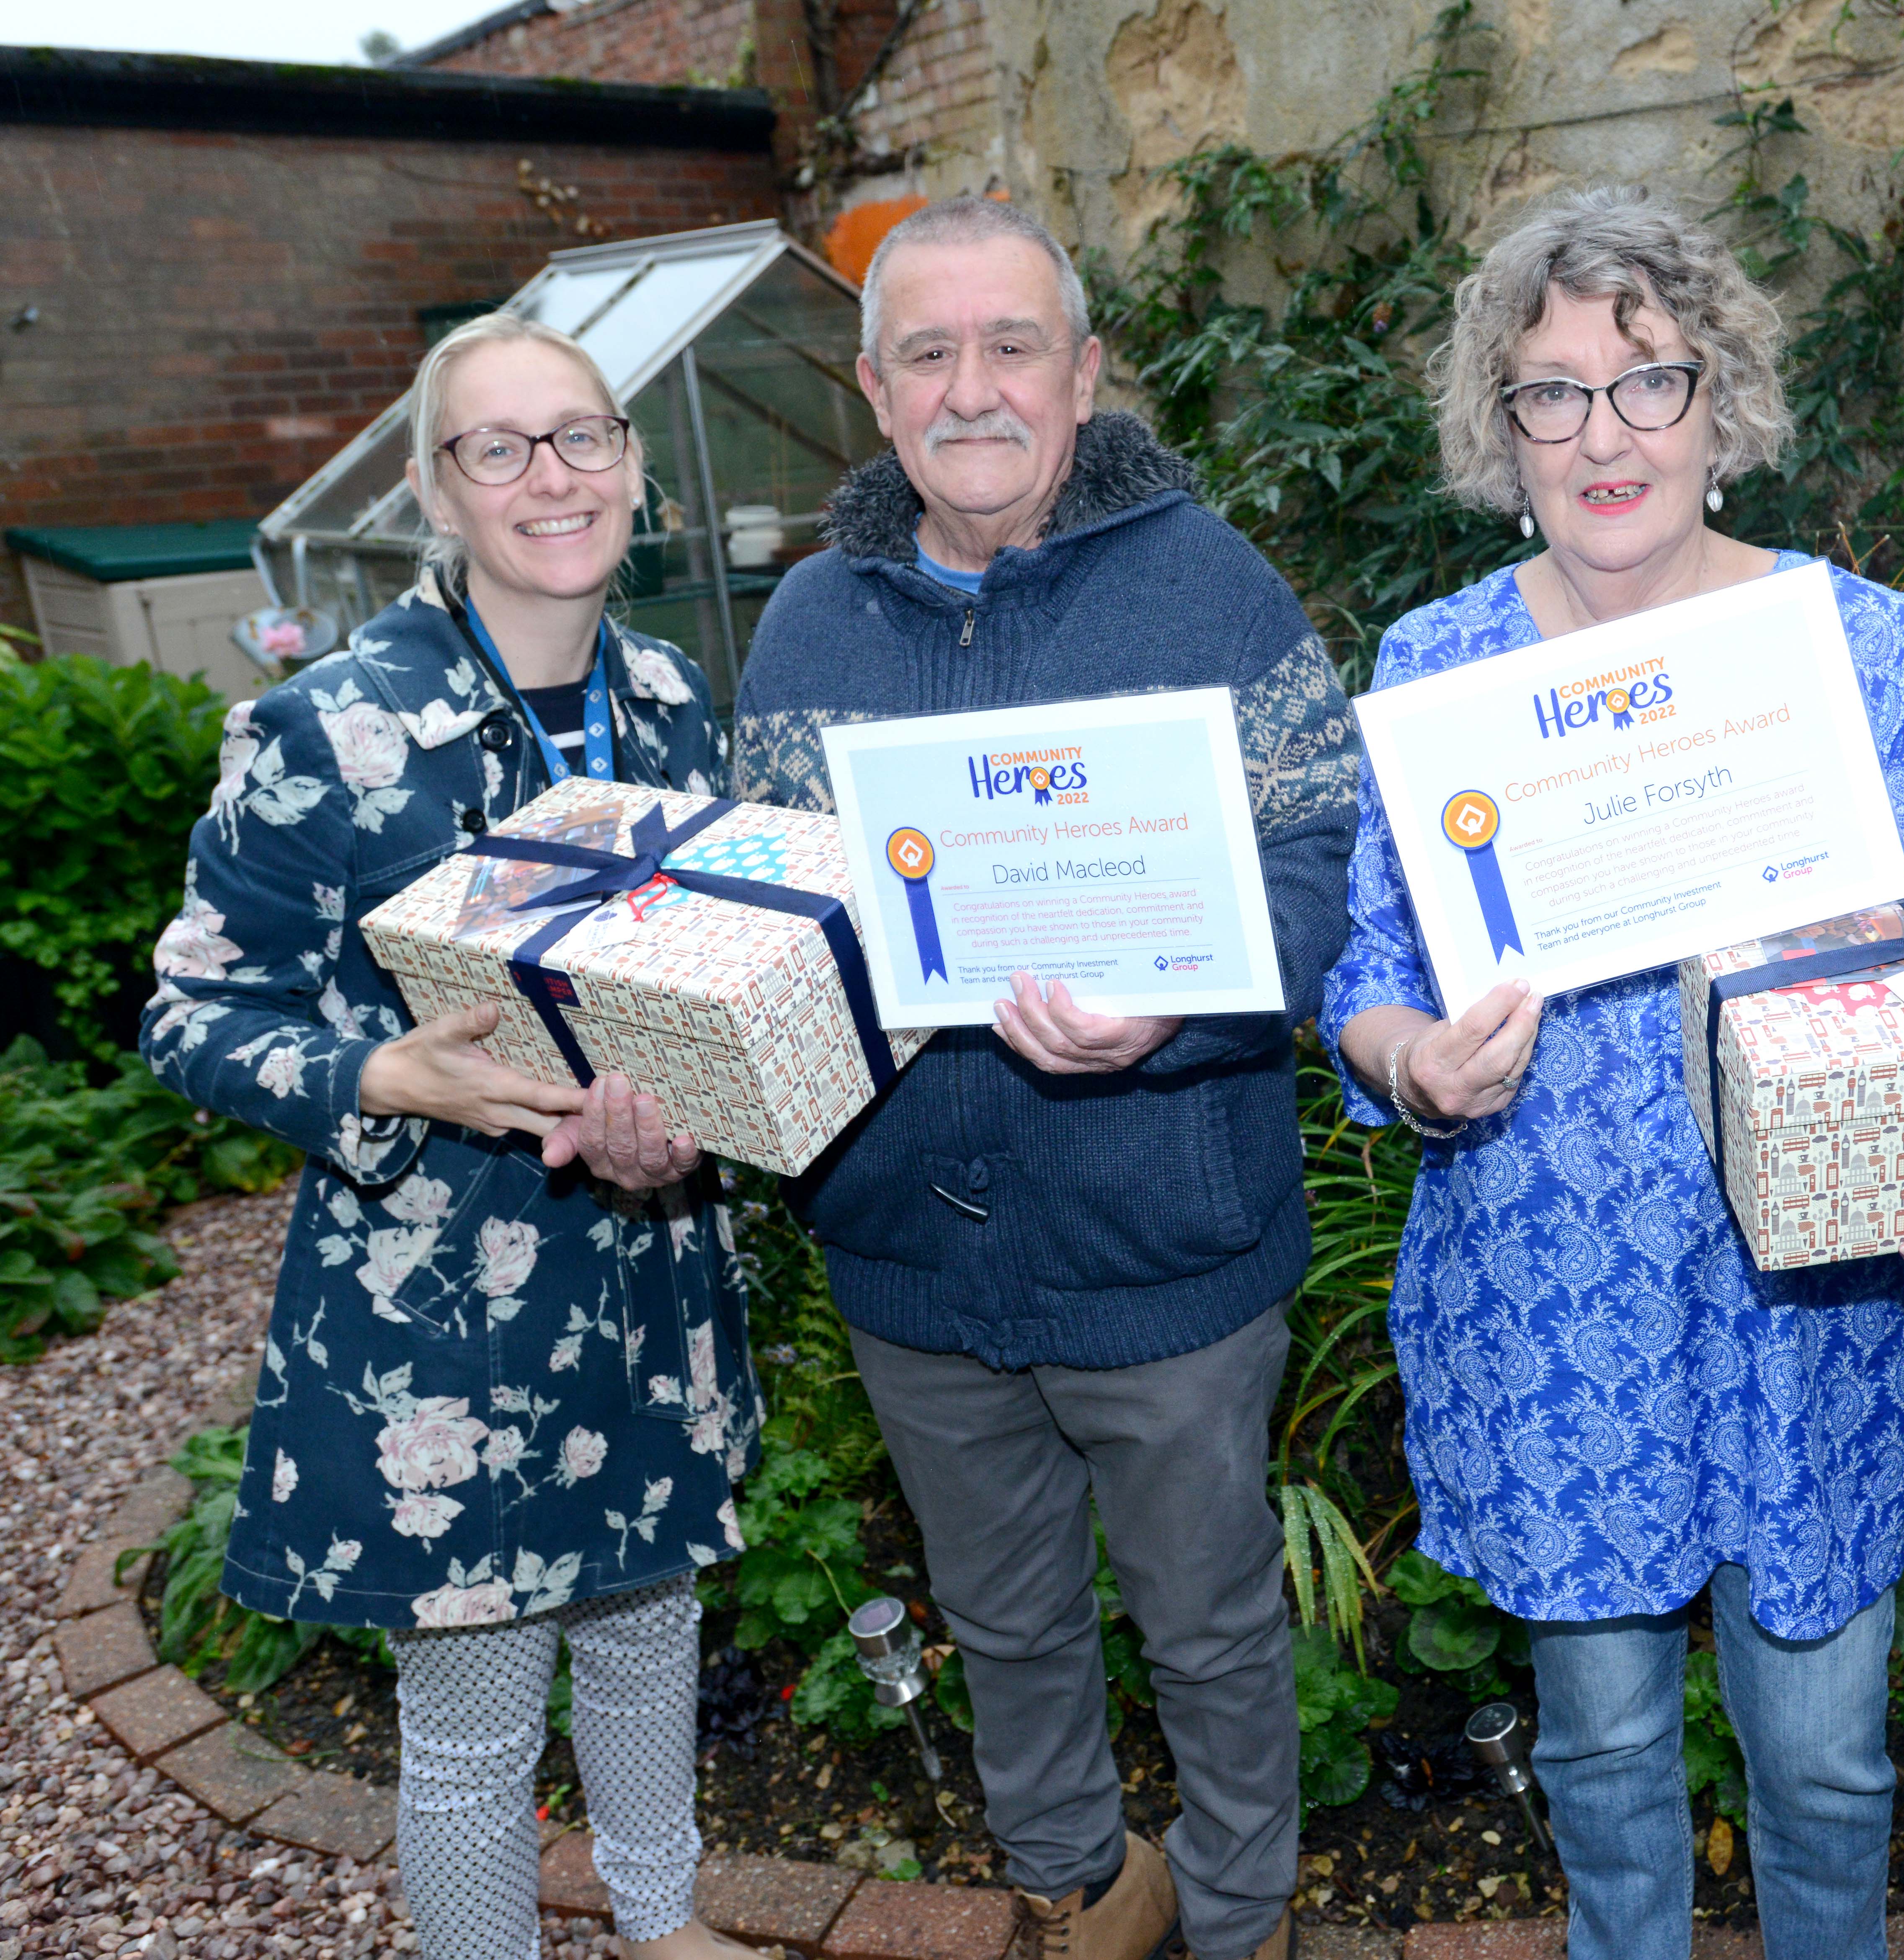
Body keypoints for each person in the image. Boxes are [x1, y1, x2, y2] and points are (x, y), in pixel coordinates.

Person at [1321, 186, 1904, 1960]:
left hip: (1812, 1299)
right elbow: (1373, 982)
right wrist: (1416, 1069)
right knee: (1606, 1746)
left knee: (1826, 1764)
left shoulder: (1859, 653)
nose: (1603, 434)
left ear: (1723, 406)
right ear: (1505, 426)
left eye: (1648, 381)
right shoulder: (1438, 669)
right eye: (1552, 393)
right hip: (1556, 1303)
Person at [732, 196, 1359, 1960]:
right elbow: (774, 919)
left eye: (1013, 345)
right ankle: (1078, 1894)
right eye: (926, 352)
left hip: (1165, 1234)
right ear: (872, 389)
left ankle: (1238, 1921)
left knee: (1212, 1625)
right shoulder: (806, 624)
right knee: (1002, 1620)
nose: (973, 387)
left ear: (1083, 374)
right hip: (913, 1252)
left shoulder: (1207, 585)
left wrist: (1190, 1010)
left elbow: (1325, 861)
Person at [142, 311, 766, 1960]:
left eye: (581, 437)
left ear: (634, 469)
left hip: (648, 1276)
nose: (550, 476)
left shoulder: (671, 700)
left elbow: (703, 979)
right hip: (444, 1324)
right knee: (479, 1724)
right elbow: (190, 1014)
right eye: (500, 447)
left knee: (648, 1639)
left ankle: (661, 1925)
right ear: (437, 485)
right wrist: (378, 1081)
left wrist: (700, 1114)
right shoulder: (329, 734)